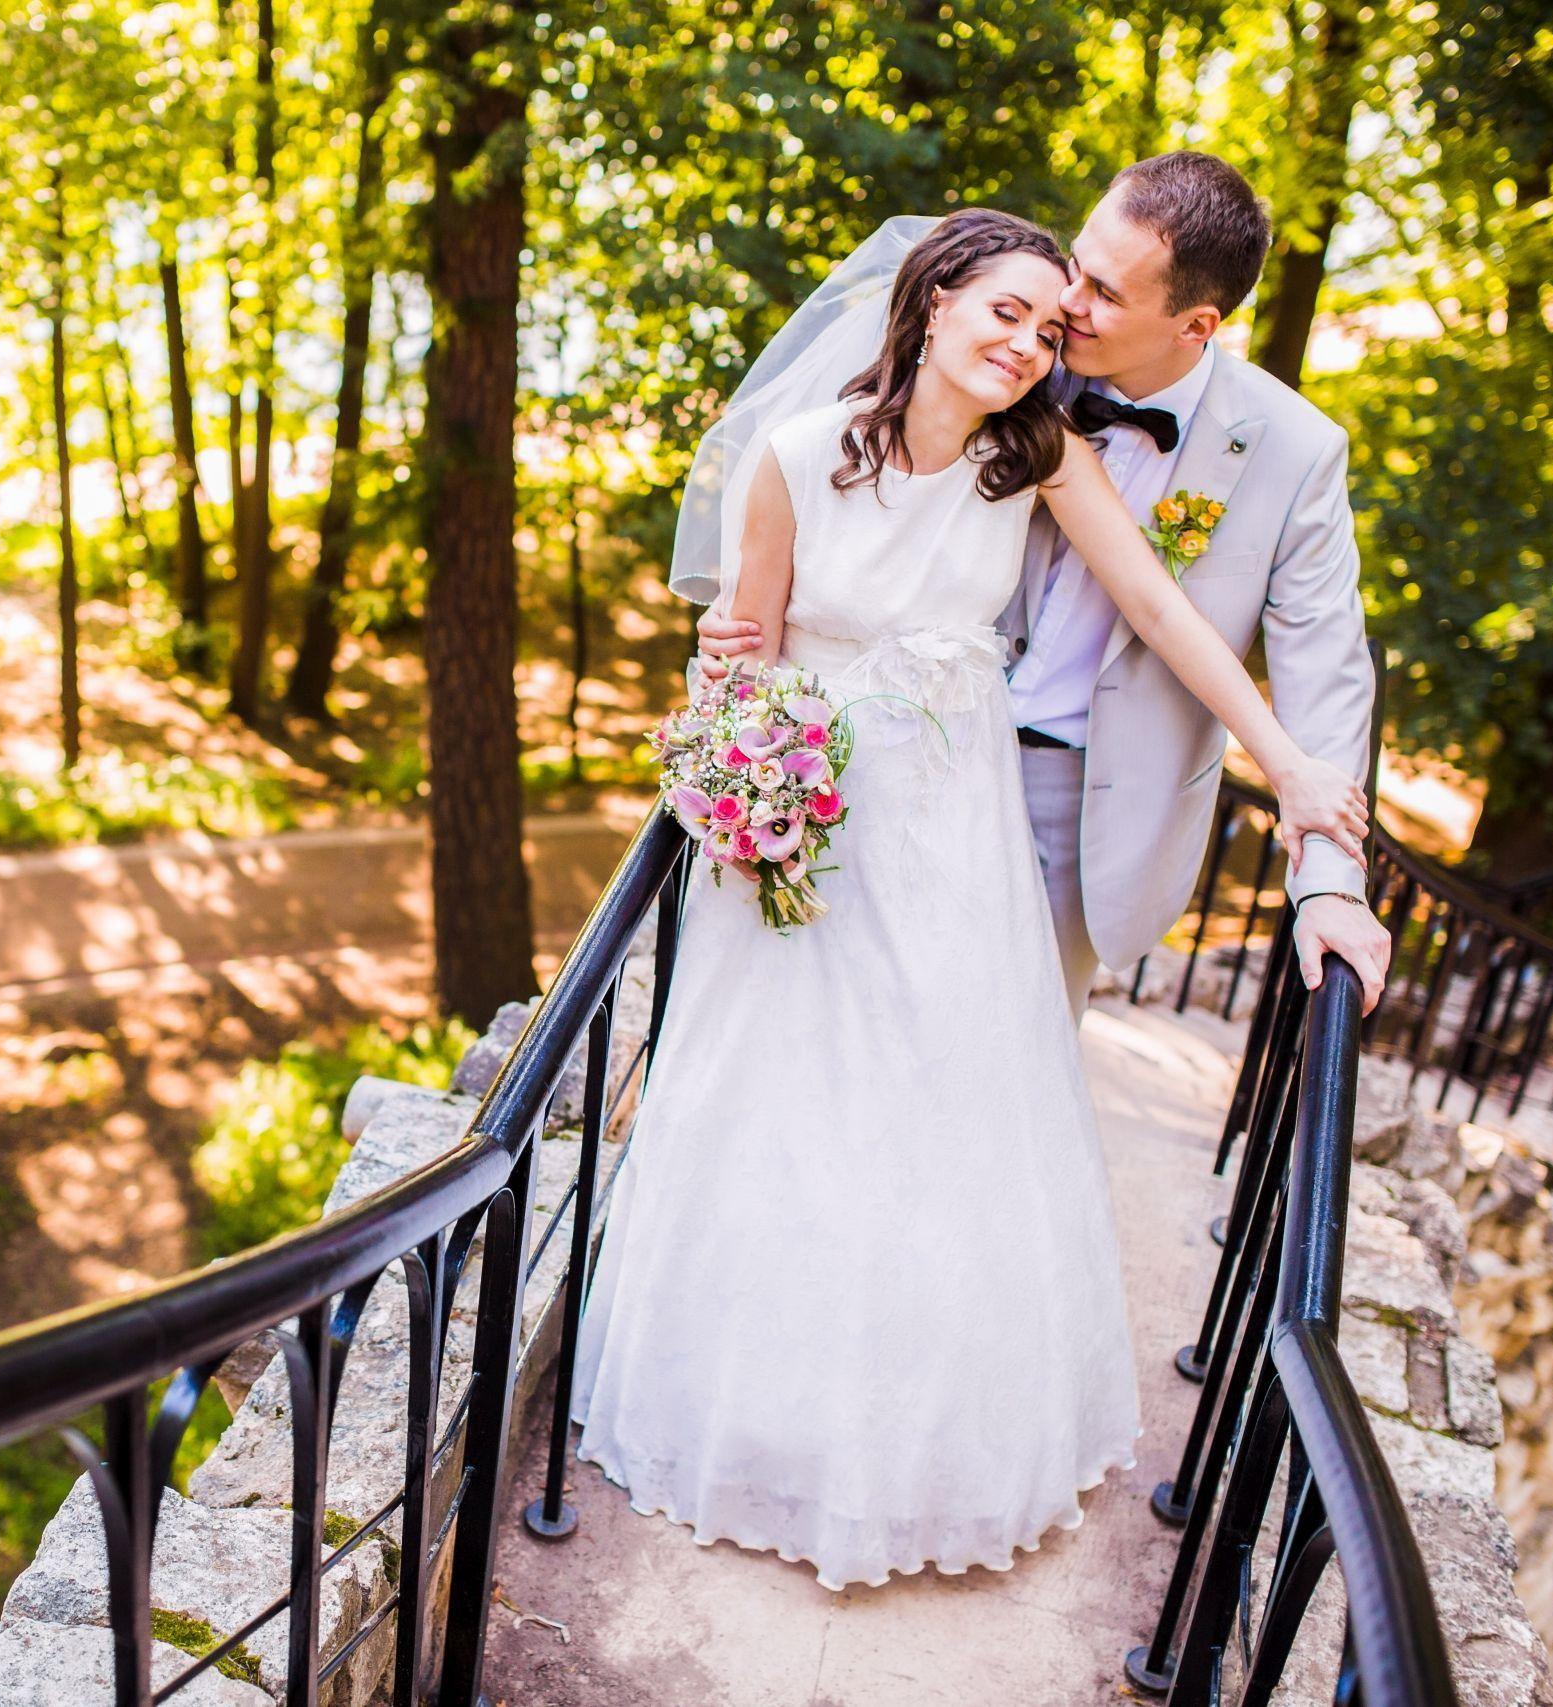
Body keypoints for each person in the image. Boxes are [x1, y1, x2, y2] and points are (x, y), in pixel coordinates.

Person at [564, 208, 1370, 1591]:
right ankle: (761, 1413)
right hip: (815, 828)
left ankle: (926, 1438)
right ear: (932, 298)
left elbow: (1165, 613)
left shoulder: (1034, 454)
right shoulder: (794, 456)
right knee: (786, 1113)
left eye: (1050, 327)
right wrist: (741, 771)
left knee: (945, 1120)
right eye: (1007, 312)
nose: (1033, 342)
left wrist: (1292, 768)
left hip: (959, 843)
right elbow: (743, 658)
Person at [694, 153, 1393, 1019]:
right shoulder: (1001, 353)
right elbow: (837, 522)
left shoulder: (1293, 451)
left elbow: (1311, 665)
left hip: (1091, 805)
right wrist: (740, 634)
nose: (1066, 304)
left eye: (1102, 293)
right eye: (1077, 268)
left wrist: (1330, 877)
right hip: (870, 767)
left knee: (1007, 1050)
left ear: (1195, 324)